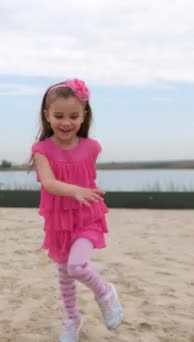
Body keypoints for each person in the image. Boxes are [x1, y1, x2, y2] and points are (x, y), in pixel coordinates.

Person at [31, 78, 123, 341]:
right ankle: (72, 319)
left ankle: (105, 293)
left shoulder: (92, 148)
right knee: (64, 275)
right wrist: (75, 190)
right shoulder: (41, 150)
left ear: (83, 116)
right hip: (58, 219)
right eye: (58, 115)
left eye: (73, 115)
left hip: (87, 217)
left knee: (77, 266)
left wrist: (82, 193)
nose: (66, 122)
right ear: (47, 116)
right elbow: (48, 183)